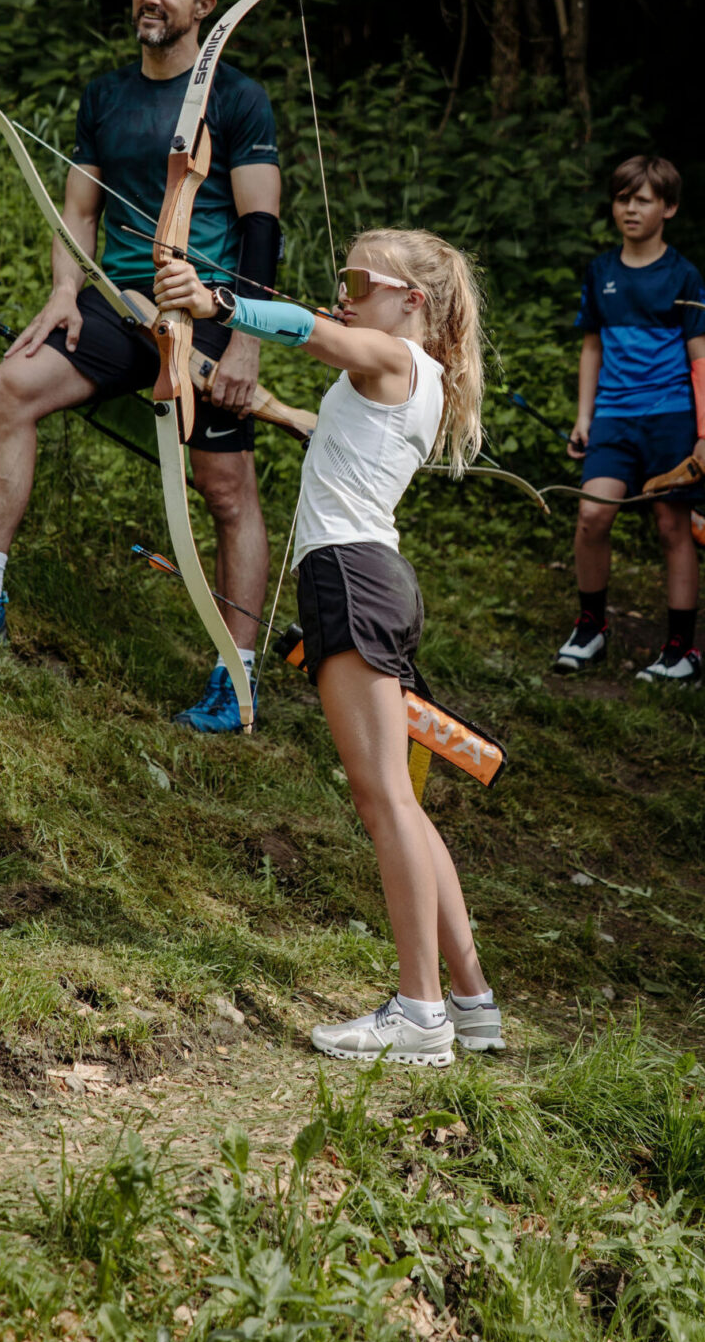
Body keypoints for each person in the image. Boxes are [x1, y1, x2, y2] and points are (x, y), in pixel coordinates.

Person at [0, 0, 283, 734]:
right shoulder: (104, 96)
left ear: (207, 8)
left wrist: (245, 339)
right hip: (112, 303)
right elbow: (79, 209)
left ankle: (236, 677)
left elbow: (262, 226)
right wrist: (67, 290)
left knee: (226, 491)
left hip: (202, 316)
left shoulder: (238, 98)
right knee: (8, 389)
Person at [154, 228, 501, 1065]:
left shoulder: (387, 353)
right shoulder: (408, 376)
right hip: (370, 577)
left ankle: (419, 1017)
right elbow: (336, 426)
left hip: (350, 577)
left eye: (357, 278)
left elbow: (317, 333)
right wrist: (257, 401)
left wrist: (215, 304)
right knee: (399, 801)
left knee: (382, 795)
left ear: (412, 299)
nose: (342, 290)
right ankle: (471, 1003)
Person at [555, 153, 705, 685]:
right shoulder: (601, 271)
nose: (630, 208)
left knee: (672, 525)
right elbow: (591, 348)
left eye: (643, 199)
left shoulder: (683, 274)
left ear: (668, 208)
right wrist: (585, 417)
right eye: (623, 197)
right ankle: (590, 627)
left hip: (671, 418)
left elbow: (703, 359)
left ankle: (681, 651)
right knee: (592, 517)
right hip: (613, 418)